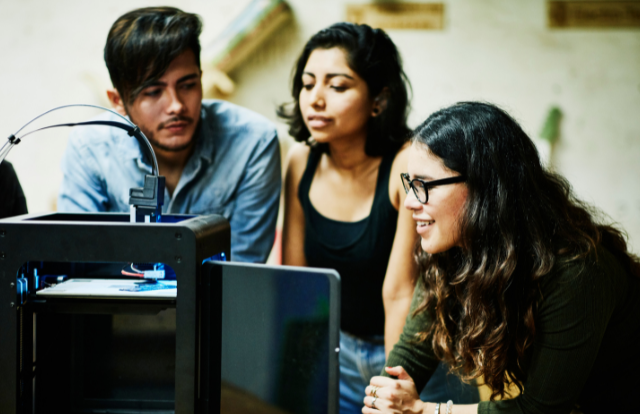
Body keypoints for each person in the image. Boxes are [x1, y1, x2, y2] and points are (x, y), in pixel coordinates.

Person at [363, 102, 640, 413]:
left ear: (484, 187)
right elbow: (413, 351)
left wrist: (424, 410)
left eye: (424, 185)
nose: (410, 202)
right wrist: (382, 398)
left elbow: (539, 410)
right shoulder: (451, 250)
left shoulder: (576, 272)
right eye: (410, 183)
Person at [278, 23, 478, 413]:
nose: (315, 99)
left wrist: (392, 388)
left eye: (337, 86)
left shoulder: (405, 163)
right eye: (307, 84)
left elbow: (400, 291)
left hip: (420, 353)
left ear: (379, 100)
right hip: (338, 351)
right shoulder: (300, 161)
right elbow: (299, 280)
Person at [58, 7, 281, 263]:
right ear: (118, 101)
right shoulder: (90, 148)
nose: (176, 105)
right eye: (154, 92)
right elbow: (80, 262)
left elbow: (241, 269)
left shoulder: (253, 143)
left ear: (201, 79)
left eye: (187, 85)